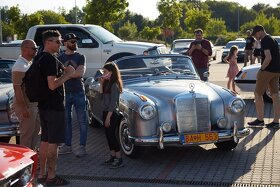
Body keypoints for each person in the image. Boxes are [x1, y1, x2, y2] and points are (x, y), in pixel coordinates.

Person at [36, 30, 75, 185]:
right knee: (54, 143)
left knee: (45, 141)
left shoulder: (39, 57)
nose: (61, 44)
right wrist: (68, 76)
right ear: (48, 42)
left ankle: (41, 174)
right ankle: (51, 177)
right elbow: (52, 85)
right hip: (54, 107)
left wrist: (65, 70)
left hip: (43, 107)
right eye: (58, 41)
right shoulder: (50, 60)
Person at [58, 33, 88, 157]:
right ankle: (67, 146)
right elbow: (56, 76)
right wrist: (71, 73)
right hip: (65, 93)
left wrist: (65, 74)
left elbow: (79, 73)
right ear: (65, 43)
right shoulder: (59, 57)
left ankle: (82, 147)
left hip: (78, 92)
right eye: (71, 41)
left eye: (75, 41)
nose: (74, 43)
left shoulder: (81, 56)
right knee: (66, 121)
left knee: (82, 121)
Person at [248, 25, 280, 128]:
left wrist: (261, 69)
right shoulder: (272, 39)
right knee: (275, 96)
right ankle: (276, 121)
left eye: (256, 34)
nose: (256, 37)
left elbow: (268, 57)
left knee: (257, 94)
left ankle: (260, 119)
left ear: (260, 31)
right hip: (276, 71)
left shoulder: (265, 40)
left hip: (267, 70)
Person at [12, 39, 40, 150]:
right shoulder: (19, 65)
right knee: (27, 135)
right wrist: (23, 108)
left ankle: (32, 160)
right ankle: (25, 164)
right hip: (26, 106)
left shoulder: (27, 64)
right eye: (34, 48)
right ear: (24, 49)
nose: (36, 50)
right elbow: (17, 88)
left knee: (35, 132)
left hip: (32, 105)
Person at [99, 62, 124, 169]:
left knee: (112, 135)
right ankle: (112, 156)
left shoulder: (114, 85)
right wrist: (101, 83)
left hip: (112, 113)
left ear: (111, 72)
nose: (103, 73)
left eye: (105, 72)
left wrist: (108, 117)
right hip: (105, 111)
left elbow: (113, 103)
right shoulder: (107, 83)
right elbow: (101, 97)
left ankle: (119, 158)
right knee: (108, 135)